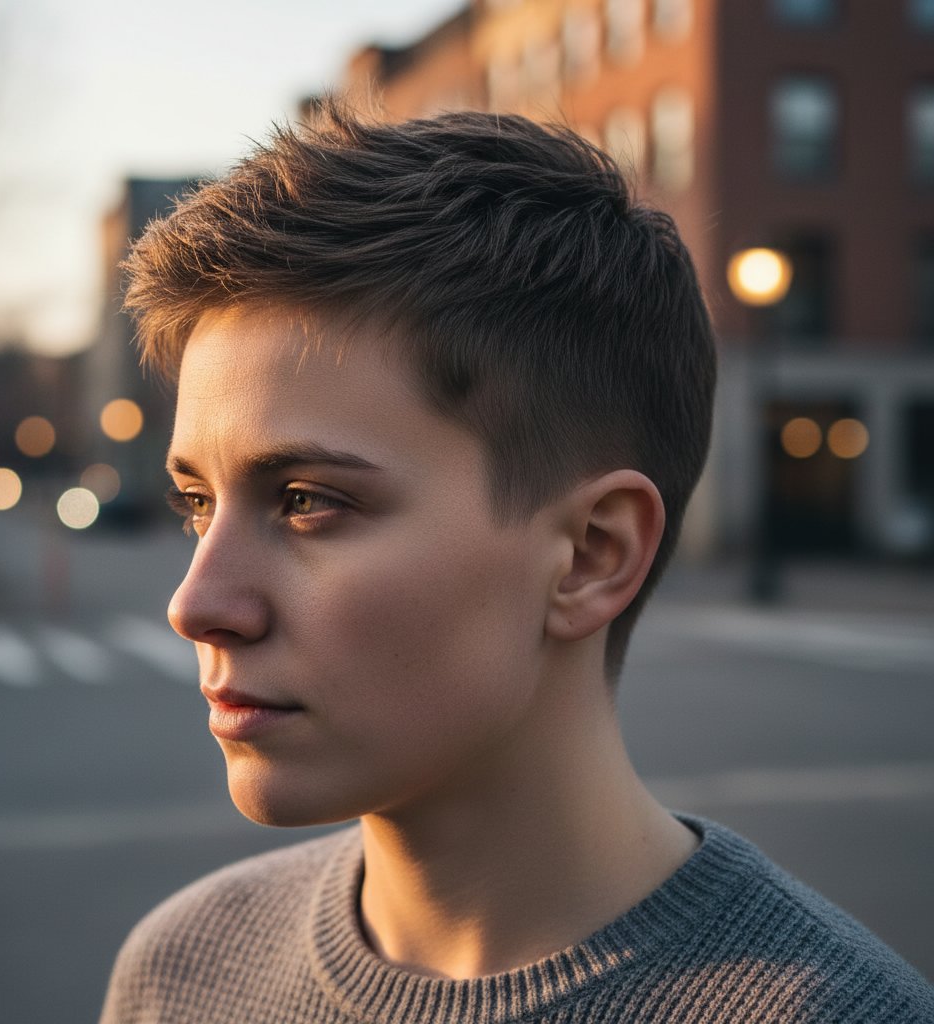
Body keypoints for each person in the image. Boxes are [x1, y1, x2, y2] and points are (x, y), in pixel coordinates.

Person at [99, 102, 933, 1023]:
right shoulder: (181, 971)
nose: (195, 603)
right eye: (196, 504)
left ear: (590, 555)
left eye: (306, 501)